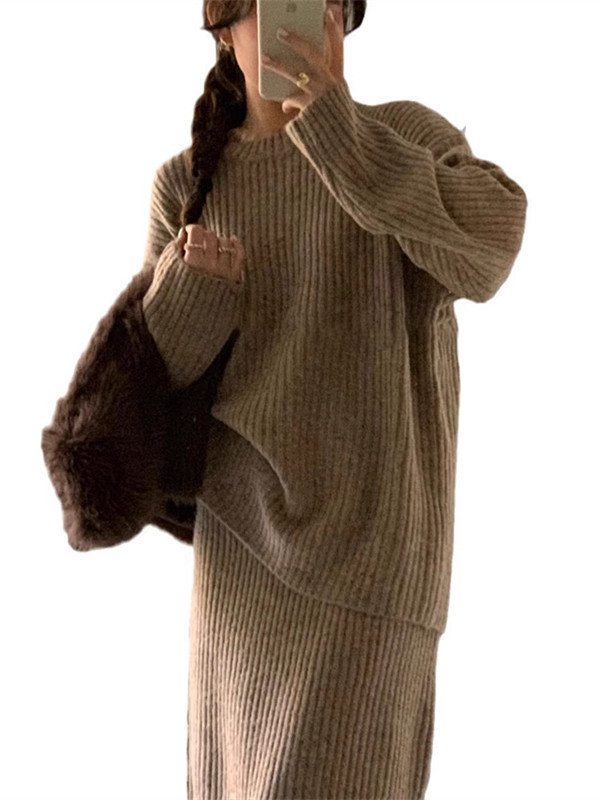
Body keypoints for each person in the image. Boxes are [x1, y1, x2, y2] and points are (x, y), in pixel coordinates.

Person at [138, 1, 528, 798]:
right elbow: (149, 405)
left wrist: (341, 140)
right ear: (226, 28)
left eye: (327, 3)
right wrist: (192, 293)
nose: (308, 18)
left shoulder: (403, 136)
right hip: (237, 580)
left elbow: (494, 243)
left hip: (370, 574)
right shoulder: (186, 183)